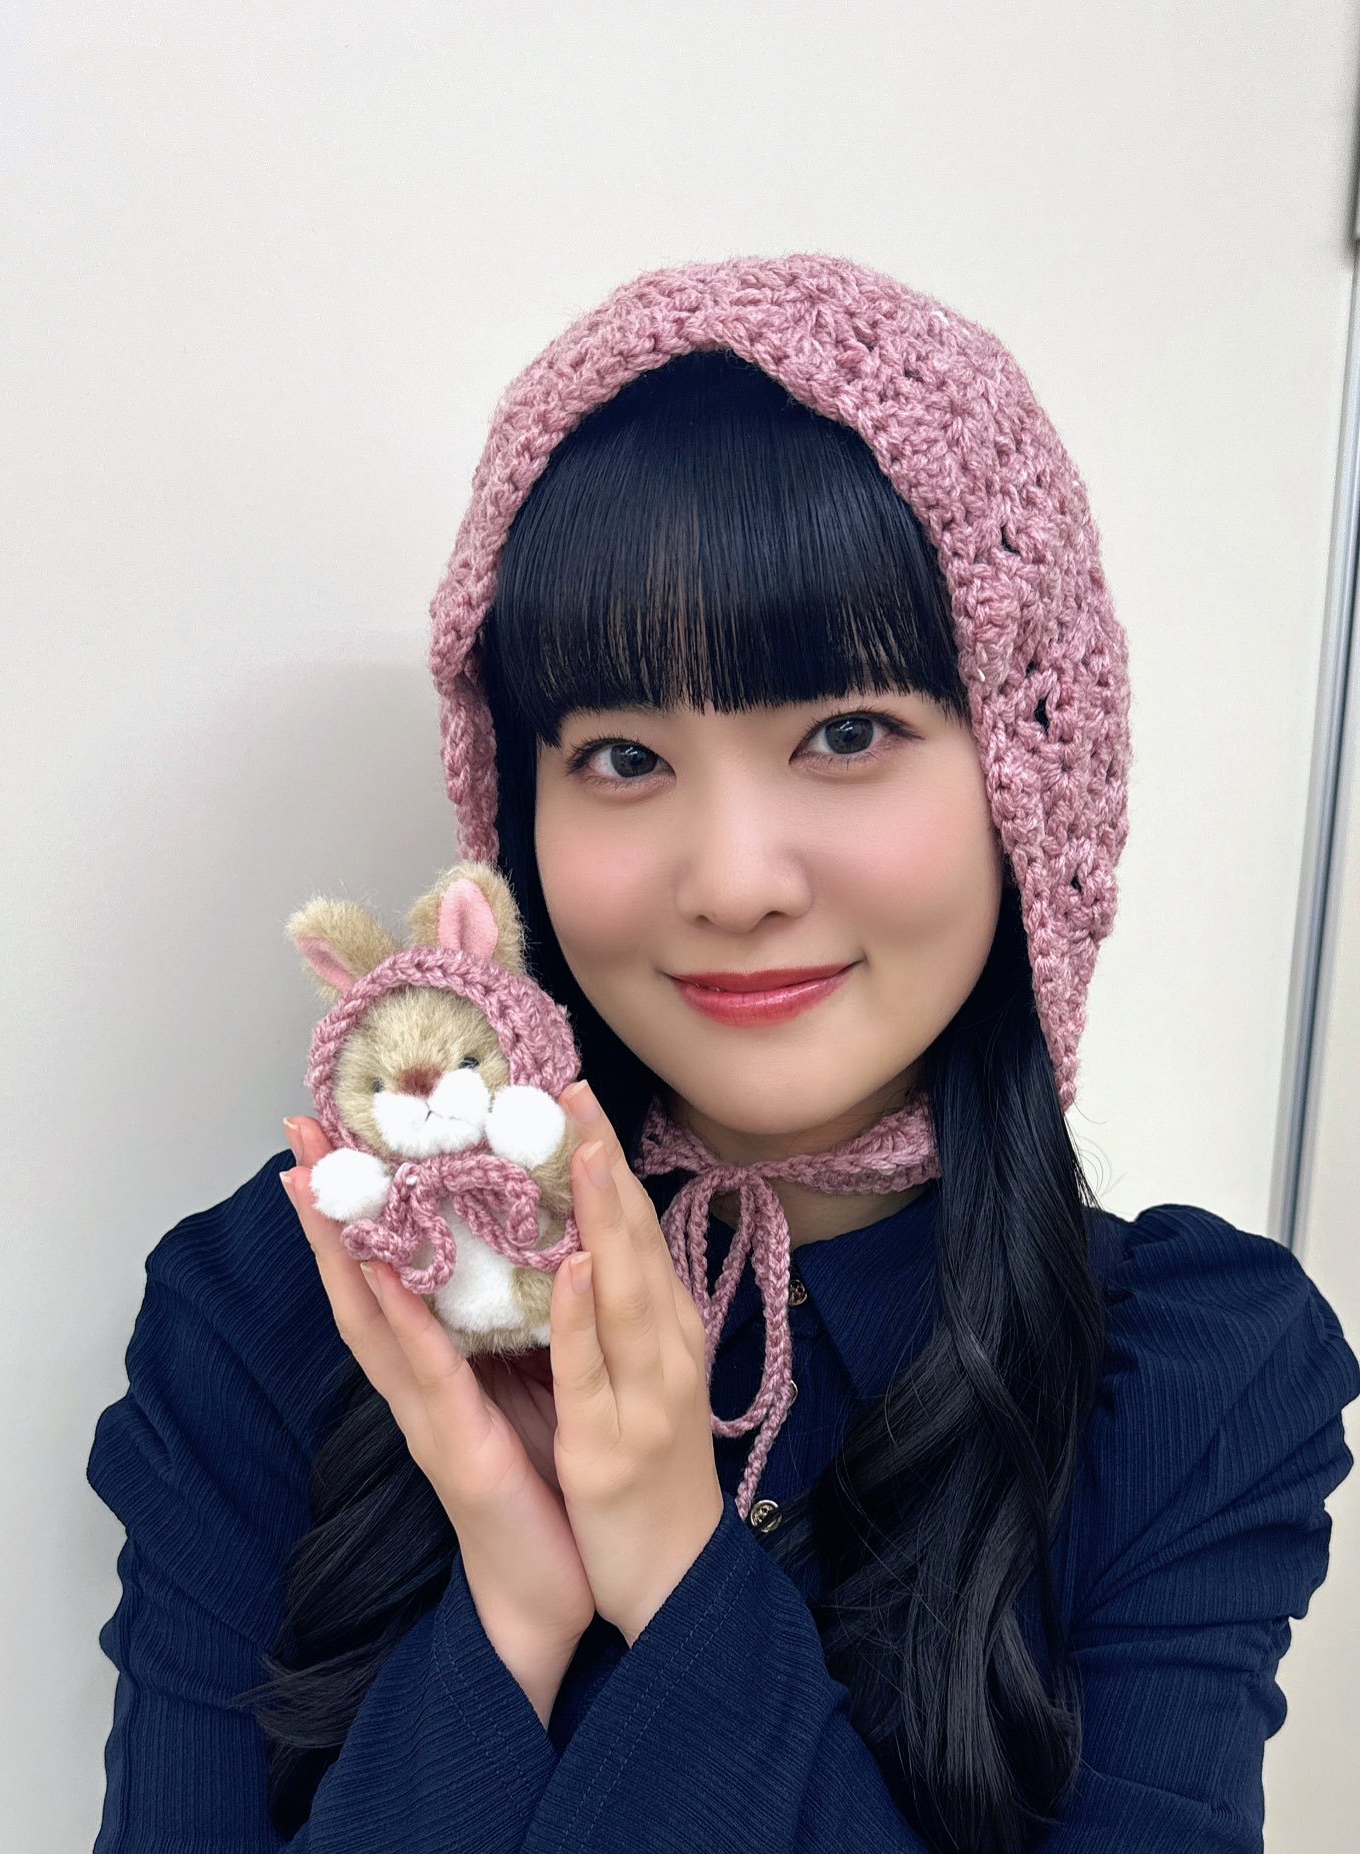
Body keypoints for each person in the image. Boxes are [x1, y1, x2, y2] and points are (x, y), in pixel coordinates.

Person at [86, 254, 1360, 1853]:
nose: (734, 879)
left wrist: (682, 1581)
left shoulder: (1184, 1385)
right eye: (623, 755)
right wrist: (507, 1612)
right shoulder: (284, 1312)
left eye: (846, 733)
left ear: (1029, 786)